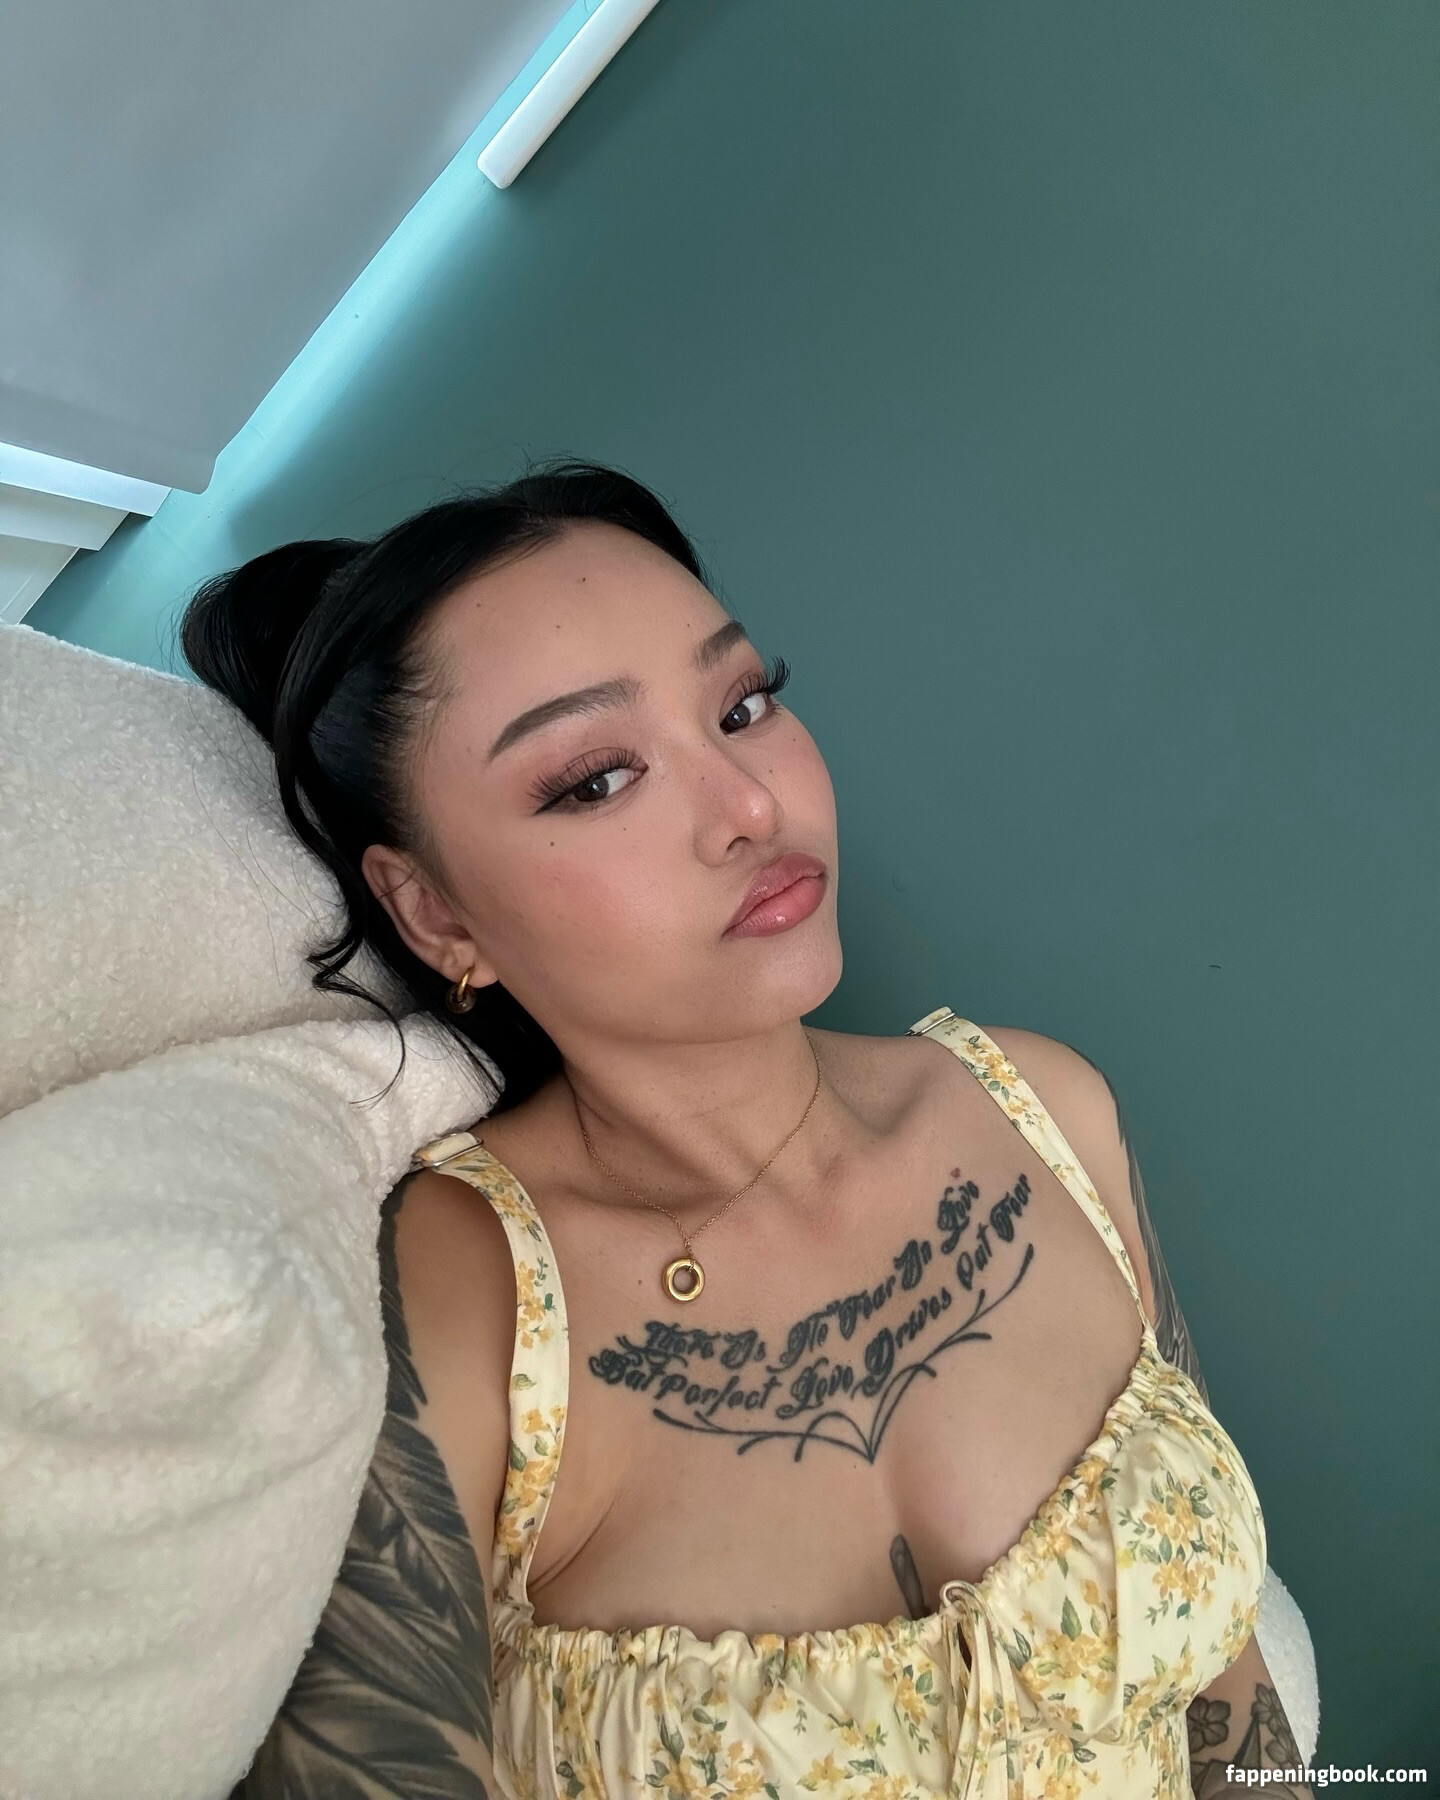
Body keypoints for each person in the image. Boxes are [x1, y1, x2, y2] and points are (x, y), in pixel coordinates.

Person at [183, 462, 1311, 1799]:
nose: (752, 805)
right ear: (435, 915)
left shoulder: (1046, 1104)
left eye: (744, 704)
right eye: (597, 778)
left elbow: (1225, 1677)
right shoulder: (461, 1292)